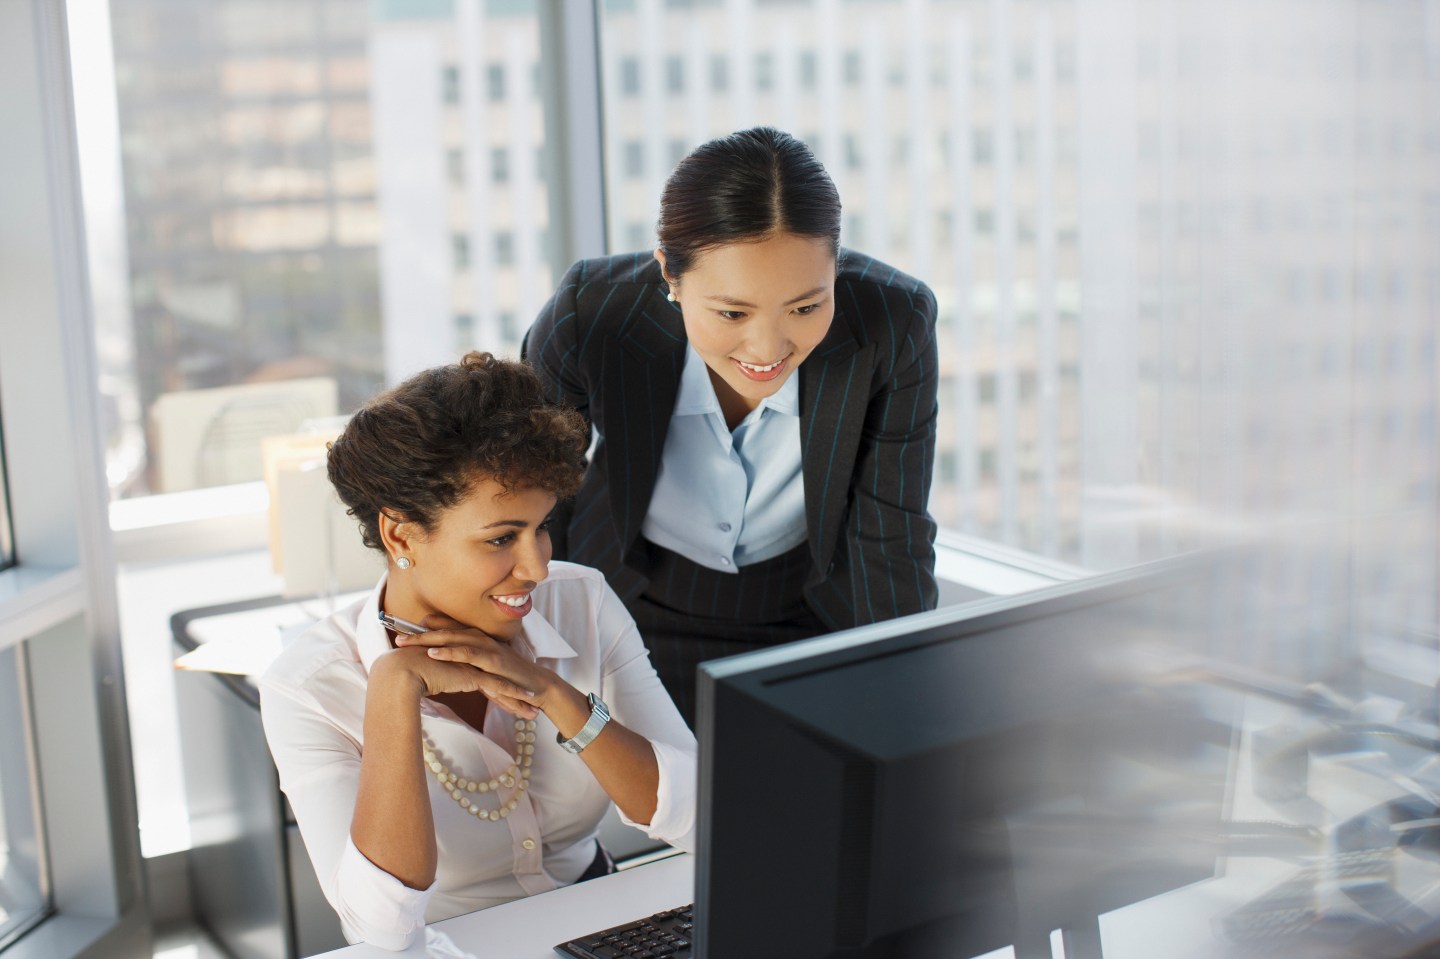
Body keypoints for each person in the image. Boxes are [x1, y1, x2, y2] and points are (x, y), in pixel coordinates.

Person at [258, 352, 696, 950]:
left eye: (542, 527)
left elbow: (704, 819)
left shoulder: (582, 601)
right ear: (401, 534)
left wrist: (554, 694)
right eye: (501, 538)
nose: (537, 567)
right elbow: (381, 927)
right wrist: (393, 689)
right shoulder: (307, 686)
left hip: (605, 927)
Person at [524, 126, 939, 725]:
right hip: (618, 605)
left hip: (808, 618)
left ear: (836, 268)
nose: (768, 349)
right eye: (732, 312)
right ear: (670, 276)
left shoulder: (894, 323)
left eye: (805, 306)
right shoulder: (591, 314)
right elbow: (526, 494)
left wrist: (910, 703)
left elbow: (891, 536)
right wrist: (532, 646)